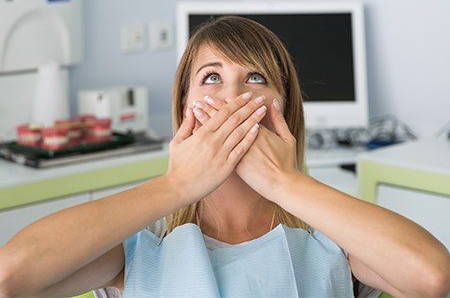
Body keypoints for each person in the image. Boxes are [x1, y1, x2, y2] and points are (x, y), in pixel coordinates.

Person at [0, 16, 449, 298]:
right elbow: (11, 277)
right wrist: (177, 185)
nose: (232, 97)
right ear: (183, 109)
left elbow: (433, 279)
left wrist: (284, 182)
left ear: (284, 110)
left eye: (254, 77)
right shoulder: (140, 246)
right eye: (211, 78)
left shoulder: (330, 242)